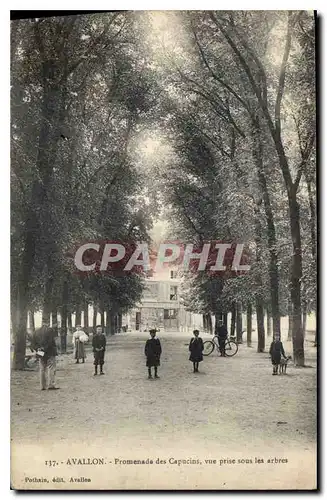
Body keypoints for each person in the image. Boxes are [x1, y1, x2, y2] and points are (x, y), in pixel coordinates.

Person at [32, 323, 59, 390]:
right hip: (50, 352)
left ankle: (42, 386)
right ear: (47, 323)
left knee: (42, 369)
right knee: (51, 368)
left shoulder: (36, 332)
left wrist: (38, 349)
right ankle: (51, 385)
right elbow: (50, 342)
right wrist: (44, 348)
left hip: (40, 352)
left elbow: (33, 344)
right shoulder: (50, 330)